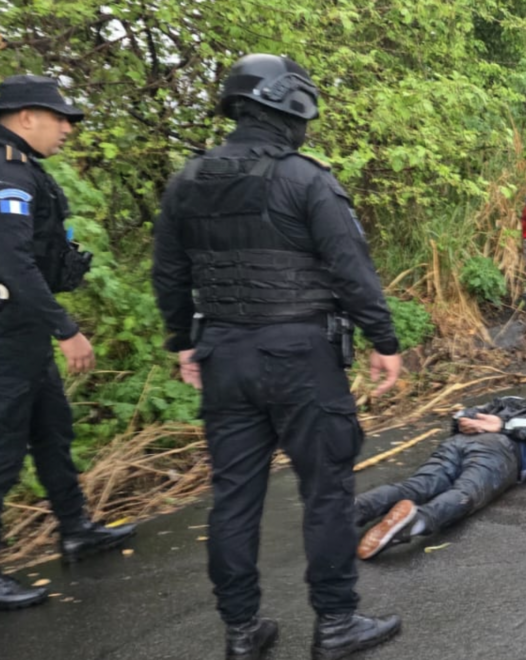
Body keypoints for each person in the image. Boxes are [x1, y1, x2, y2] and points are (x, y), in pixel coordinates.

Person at [152, 55, 402, 660]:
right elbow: (352, 271)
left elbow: (169, 272)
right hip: (300, 357)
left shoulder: (188, 180)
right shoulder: (306, 179)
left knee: (234, 499)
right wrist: (385, 342)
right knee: (326, 492)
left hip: (224, 358)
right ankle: (337, 625)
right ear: (290, 107)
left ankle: (242, 632)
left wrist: (183, 340)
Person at [0, 75, 136, 611]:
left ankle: (76, 529)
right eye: (60, 119)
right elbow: (11, 262)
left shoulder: (24, 169)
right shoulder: (8, 173)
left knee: (51, 431)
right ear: (25, 116)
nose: (67, 129)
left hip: (24, 332)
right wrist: (67, 328)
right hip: (7, 335)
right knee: (4, 447)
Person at [355, 392, 526, 560]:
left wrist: (472, 422)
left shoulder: (507, 401)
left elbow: (461, 415)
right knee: (466, 492)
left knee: (416, 485)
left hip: (460, 441)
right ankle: (414, 522)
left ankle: (351, 510)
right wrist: (502, 425)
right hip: (500, 449)